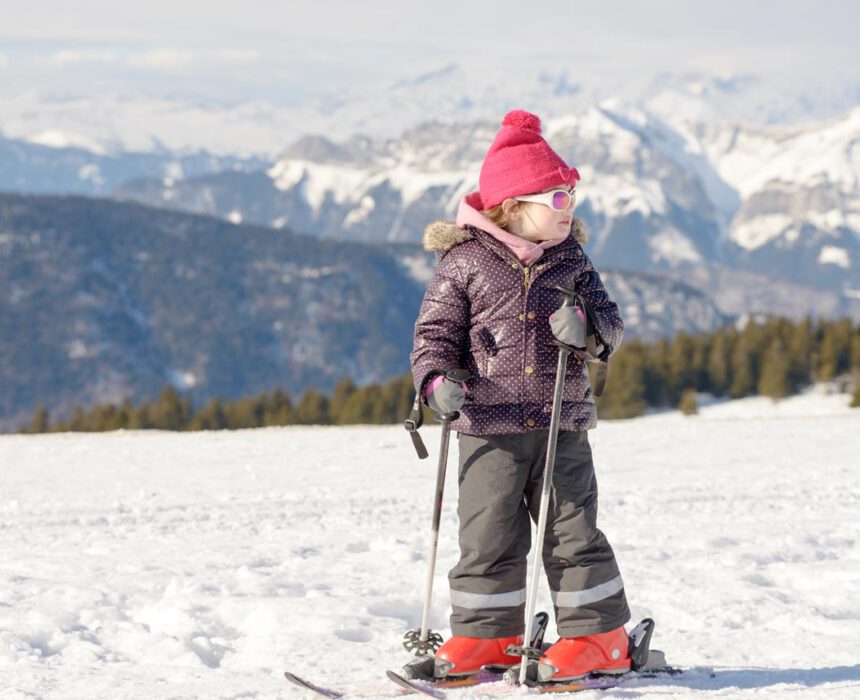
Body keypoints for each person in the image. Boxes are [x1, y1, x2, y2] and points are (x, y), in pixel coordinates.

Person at [410, 109, 630, 682]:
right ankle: (489, 637)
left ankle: (599, 638)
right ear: (512, 206)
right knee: (487, 535)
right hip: (486, 423)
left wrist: (588, 326)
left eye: (572, 195)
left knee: (572, 532)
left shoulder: (571, 260)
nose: (569, 208)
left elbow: (611, 321)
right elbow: (434, 335)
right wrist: (436, 382)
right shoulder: (463, 263)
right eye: (556, 198)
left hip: (561, 420)